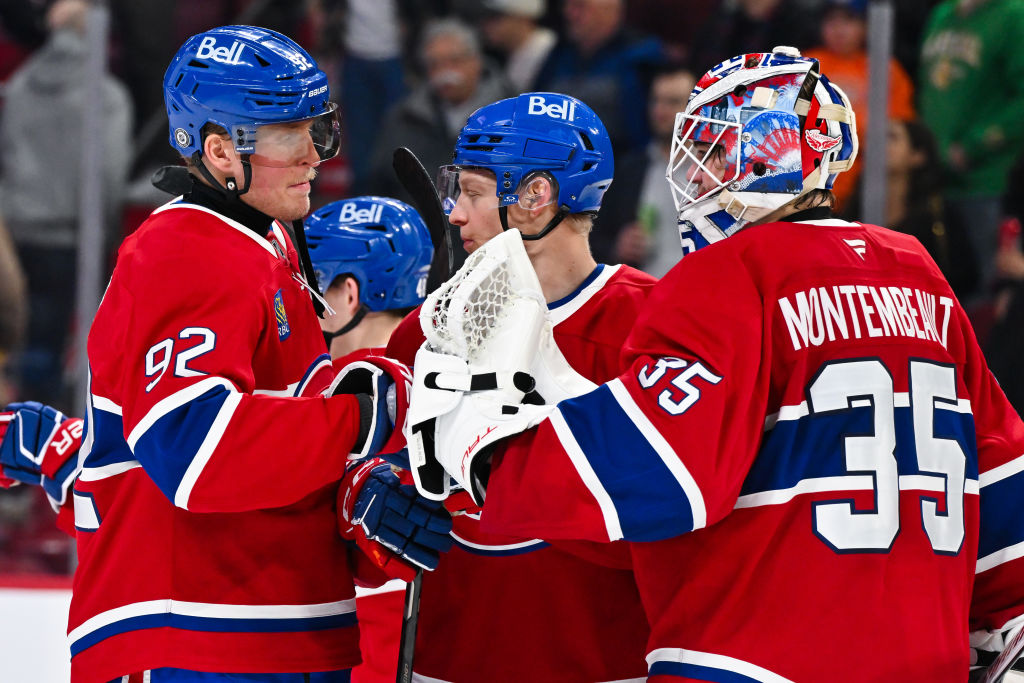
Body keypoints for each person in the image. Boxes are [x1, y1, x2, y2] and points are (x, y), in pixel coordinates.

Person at [415, 48, 1024, 680]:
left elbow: (659, 465)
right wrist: (1010, 608)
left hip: (756, 655)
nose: (695, 176)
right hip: (924, 655)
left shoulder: (734, 273)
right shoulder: (916, 272)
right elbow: (999, 463)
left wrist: (491, 458)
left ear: (767, 156)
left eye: (711, 151)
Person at [66, 26, 451, 683]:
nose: (315, 153)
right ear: (220, 149)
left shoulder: (264, 247)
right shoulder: (185, 249)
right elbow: (193, 447)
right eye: (288, 133)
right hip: (194, 633)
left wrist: (357, 491)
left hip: (269, 629)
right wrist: (363, 418)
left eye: (318, 127)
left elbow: (280, 441)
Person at [384, 92, 654, 682]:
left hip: (603, 666)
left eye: (472, 192)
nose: (455, 213)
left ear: (536, 196)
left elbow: (669, 523)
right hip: (445, 663)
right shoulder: (427, 332)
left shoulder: (649, 327)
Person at [305, 196, 433, 683]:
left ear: (350, 294)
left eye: (315, 283)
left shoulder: (334, 395)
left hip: (351, 646)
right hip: (427, 644)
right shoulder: (450, 385)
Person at [919, 0, 1024, 302]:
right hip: (933, 178)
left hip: (986, 179)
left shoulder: (1014, 15)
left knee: (983, 288)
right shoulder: (942, 13)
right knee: (937, 287)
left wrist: (974, 146)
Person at [804, 0, 916, 212]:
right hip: (811, 188)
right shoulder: (806, 64)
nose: (839, 29)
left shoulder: (885, 68)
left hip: (869, 188)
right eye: (831, 20)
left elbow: (899, 129)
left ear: (865, 25)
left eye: (848, 20)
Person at [601, 65, 697, 275]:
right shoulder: (630, 169)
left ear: (697, 109)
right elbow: (596, 236)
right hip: (647, 289)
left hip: (702, 288)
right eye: (656, 100)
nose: (660, 111)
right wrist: (616, 247)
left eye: (672, 102)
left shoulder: (714, 170)